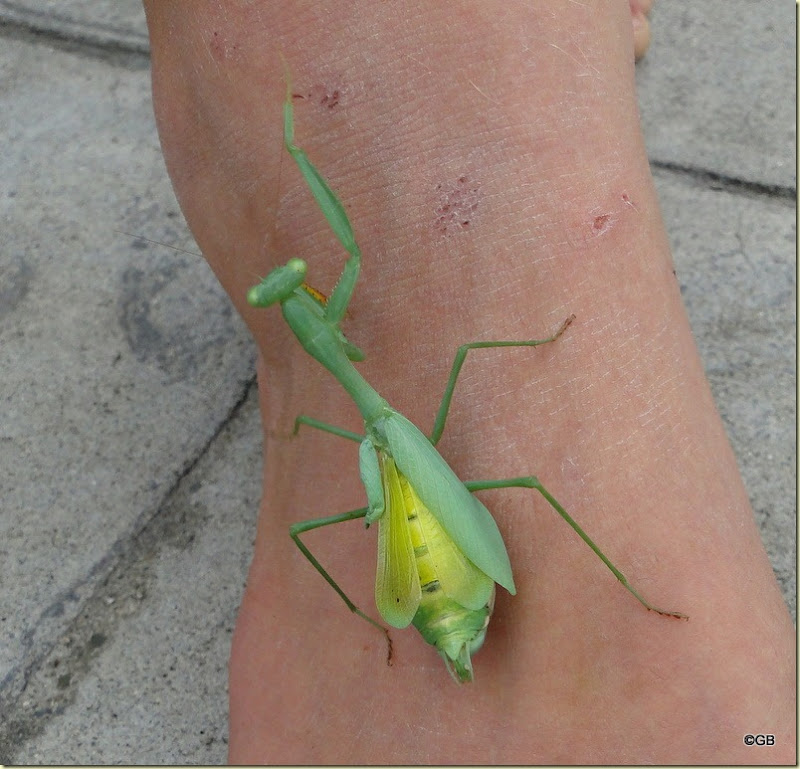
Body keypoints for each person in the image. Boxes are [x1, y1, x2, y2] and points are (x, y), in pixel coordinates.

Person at [142, 2, 795, 763]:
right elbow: (347, 258)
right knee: (533, 477)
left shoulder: (329, 344)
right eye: (290, 279)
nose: (300, 280)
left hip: (391, 487)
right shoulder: (337, 308)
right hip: (402, 490)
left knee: (343, 487)